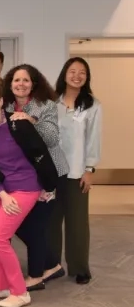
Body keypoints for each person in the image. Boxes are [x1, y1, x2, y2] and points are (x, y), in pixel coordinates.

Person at [0, 82, 57, 307]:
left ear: (1, 101)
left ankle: (20, 292)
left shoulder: (17, 123)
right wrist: (1, 193)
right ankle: (1, 286)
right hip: (5, 190)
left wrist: (48, 186)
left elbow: (41, 153)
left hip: (27, 187)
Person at [3, 64, 67, 291]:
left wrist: (32, 121)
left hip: (47, 172)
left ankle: (36, 275)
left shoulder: (46, 105)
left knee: (37, 225)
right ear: (10, 84)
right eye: (16, 80)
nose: (21, 84)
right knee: (21, 223)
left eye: (26, 80)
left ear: (34, 84)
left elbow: (51, 138)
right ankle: (51, 265)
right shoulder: (5, 106)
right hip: (21, 175)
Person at [52, 57, 101, 284]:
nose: (77, 75)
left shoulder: (93, 105)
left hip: (77, 173)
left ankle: (80, 268)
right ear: (64, 74)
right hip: (52, 172)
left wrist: (89, 169)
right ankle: (51, 266)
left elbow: (93, 140)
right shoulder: (51, 102)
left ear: (87, 77)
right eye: (73, 71)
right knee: (51, 223)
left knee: (78, 223)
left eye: (82, 72)